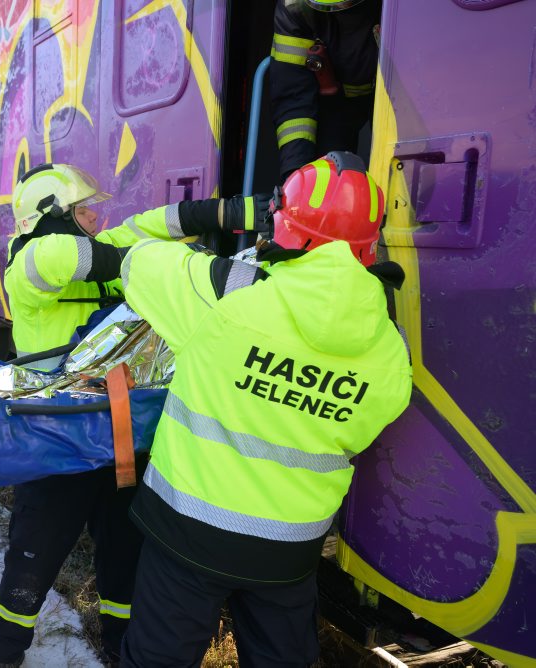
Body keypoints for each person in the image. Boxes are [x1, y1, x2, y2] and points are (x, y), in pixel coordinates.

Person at [118, 152, 413, 666]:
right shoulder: (389, 346)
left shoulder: (225, 293)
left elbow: (136, 258)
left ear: (285, 225)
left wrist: (211, 219)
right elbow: (367, 427)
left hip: (188, 536)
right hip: (288, 550)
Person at [0, 163, 270, 668]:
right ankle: (6, 653)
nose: (96, 218)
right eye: (82, 210)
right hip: (59, 444)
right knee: (35, 554)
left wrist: (256, 211)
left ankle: (120, 645)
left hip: (121, 438)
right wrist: (164, 271)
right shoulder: (30, 259)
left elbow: (166, 220)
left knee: (124, 554)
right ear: (54, 215)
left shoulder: (102, 244)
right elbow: (63, 257)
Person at [269, 0, 381, 181]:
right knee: (326, 179)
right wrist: (296, 175)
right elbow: (293, 98)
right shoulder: (294, 7)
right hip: (335, 101)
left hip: (396, 98)